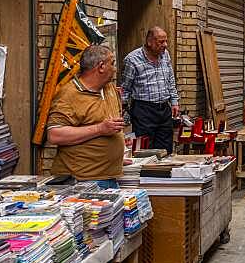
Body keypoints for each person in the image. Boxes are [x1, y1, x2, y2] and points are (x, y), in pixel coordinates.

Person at [46, 44, 126, 188]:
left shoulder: (110, 88)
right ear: (101, 66)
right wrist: (100, 129)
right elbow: (55, 135)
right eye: (112, 64)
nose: (115, 69)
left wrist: (118, 157)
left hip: (110, 177)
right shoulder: (68, 95)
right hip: (82, 181)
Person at [120, 26, 179, 154]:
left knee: (165, 150)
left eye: (166, 41)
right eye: (161, 42)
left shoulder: (165, 55)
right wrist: (122, 113)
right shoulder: (132, 59)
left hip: (164, 109)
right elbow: (125, 89)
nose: (165, 45)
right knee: (145, 150)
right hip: (143, 111)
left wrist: (174, 101)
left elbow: (170, 78)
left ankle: (164, 172)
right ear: (149, 42)